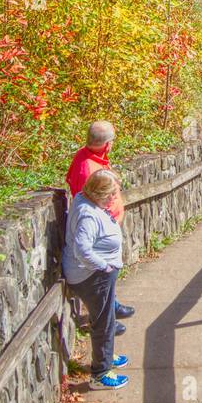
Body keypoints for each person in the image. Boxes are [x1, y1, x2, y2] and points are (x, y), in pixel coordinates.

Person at [62, 170, 129, 390]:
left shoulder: (85, 199)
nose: (114, 198)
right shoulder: (87, 214)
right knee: (104, 321)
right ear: (100, 194)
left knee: (105, 316)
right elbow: (82, 249)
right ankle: (101, 372)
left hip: (95, 275)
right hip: (91, 276)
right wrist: (104, 266)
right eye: (112, 195)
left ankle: (106, 356)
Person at [66, 121, 134, 325]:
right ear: (106, 144)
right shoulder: (87, 168)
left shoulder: (93, 157)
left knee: (109, 276)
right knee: (101, 276)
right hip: (98, 231)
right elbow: (89, 202)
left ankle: (112, 306)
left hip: (107, 225)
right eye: (111, 141)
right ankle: (106, 320)